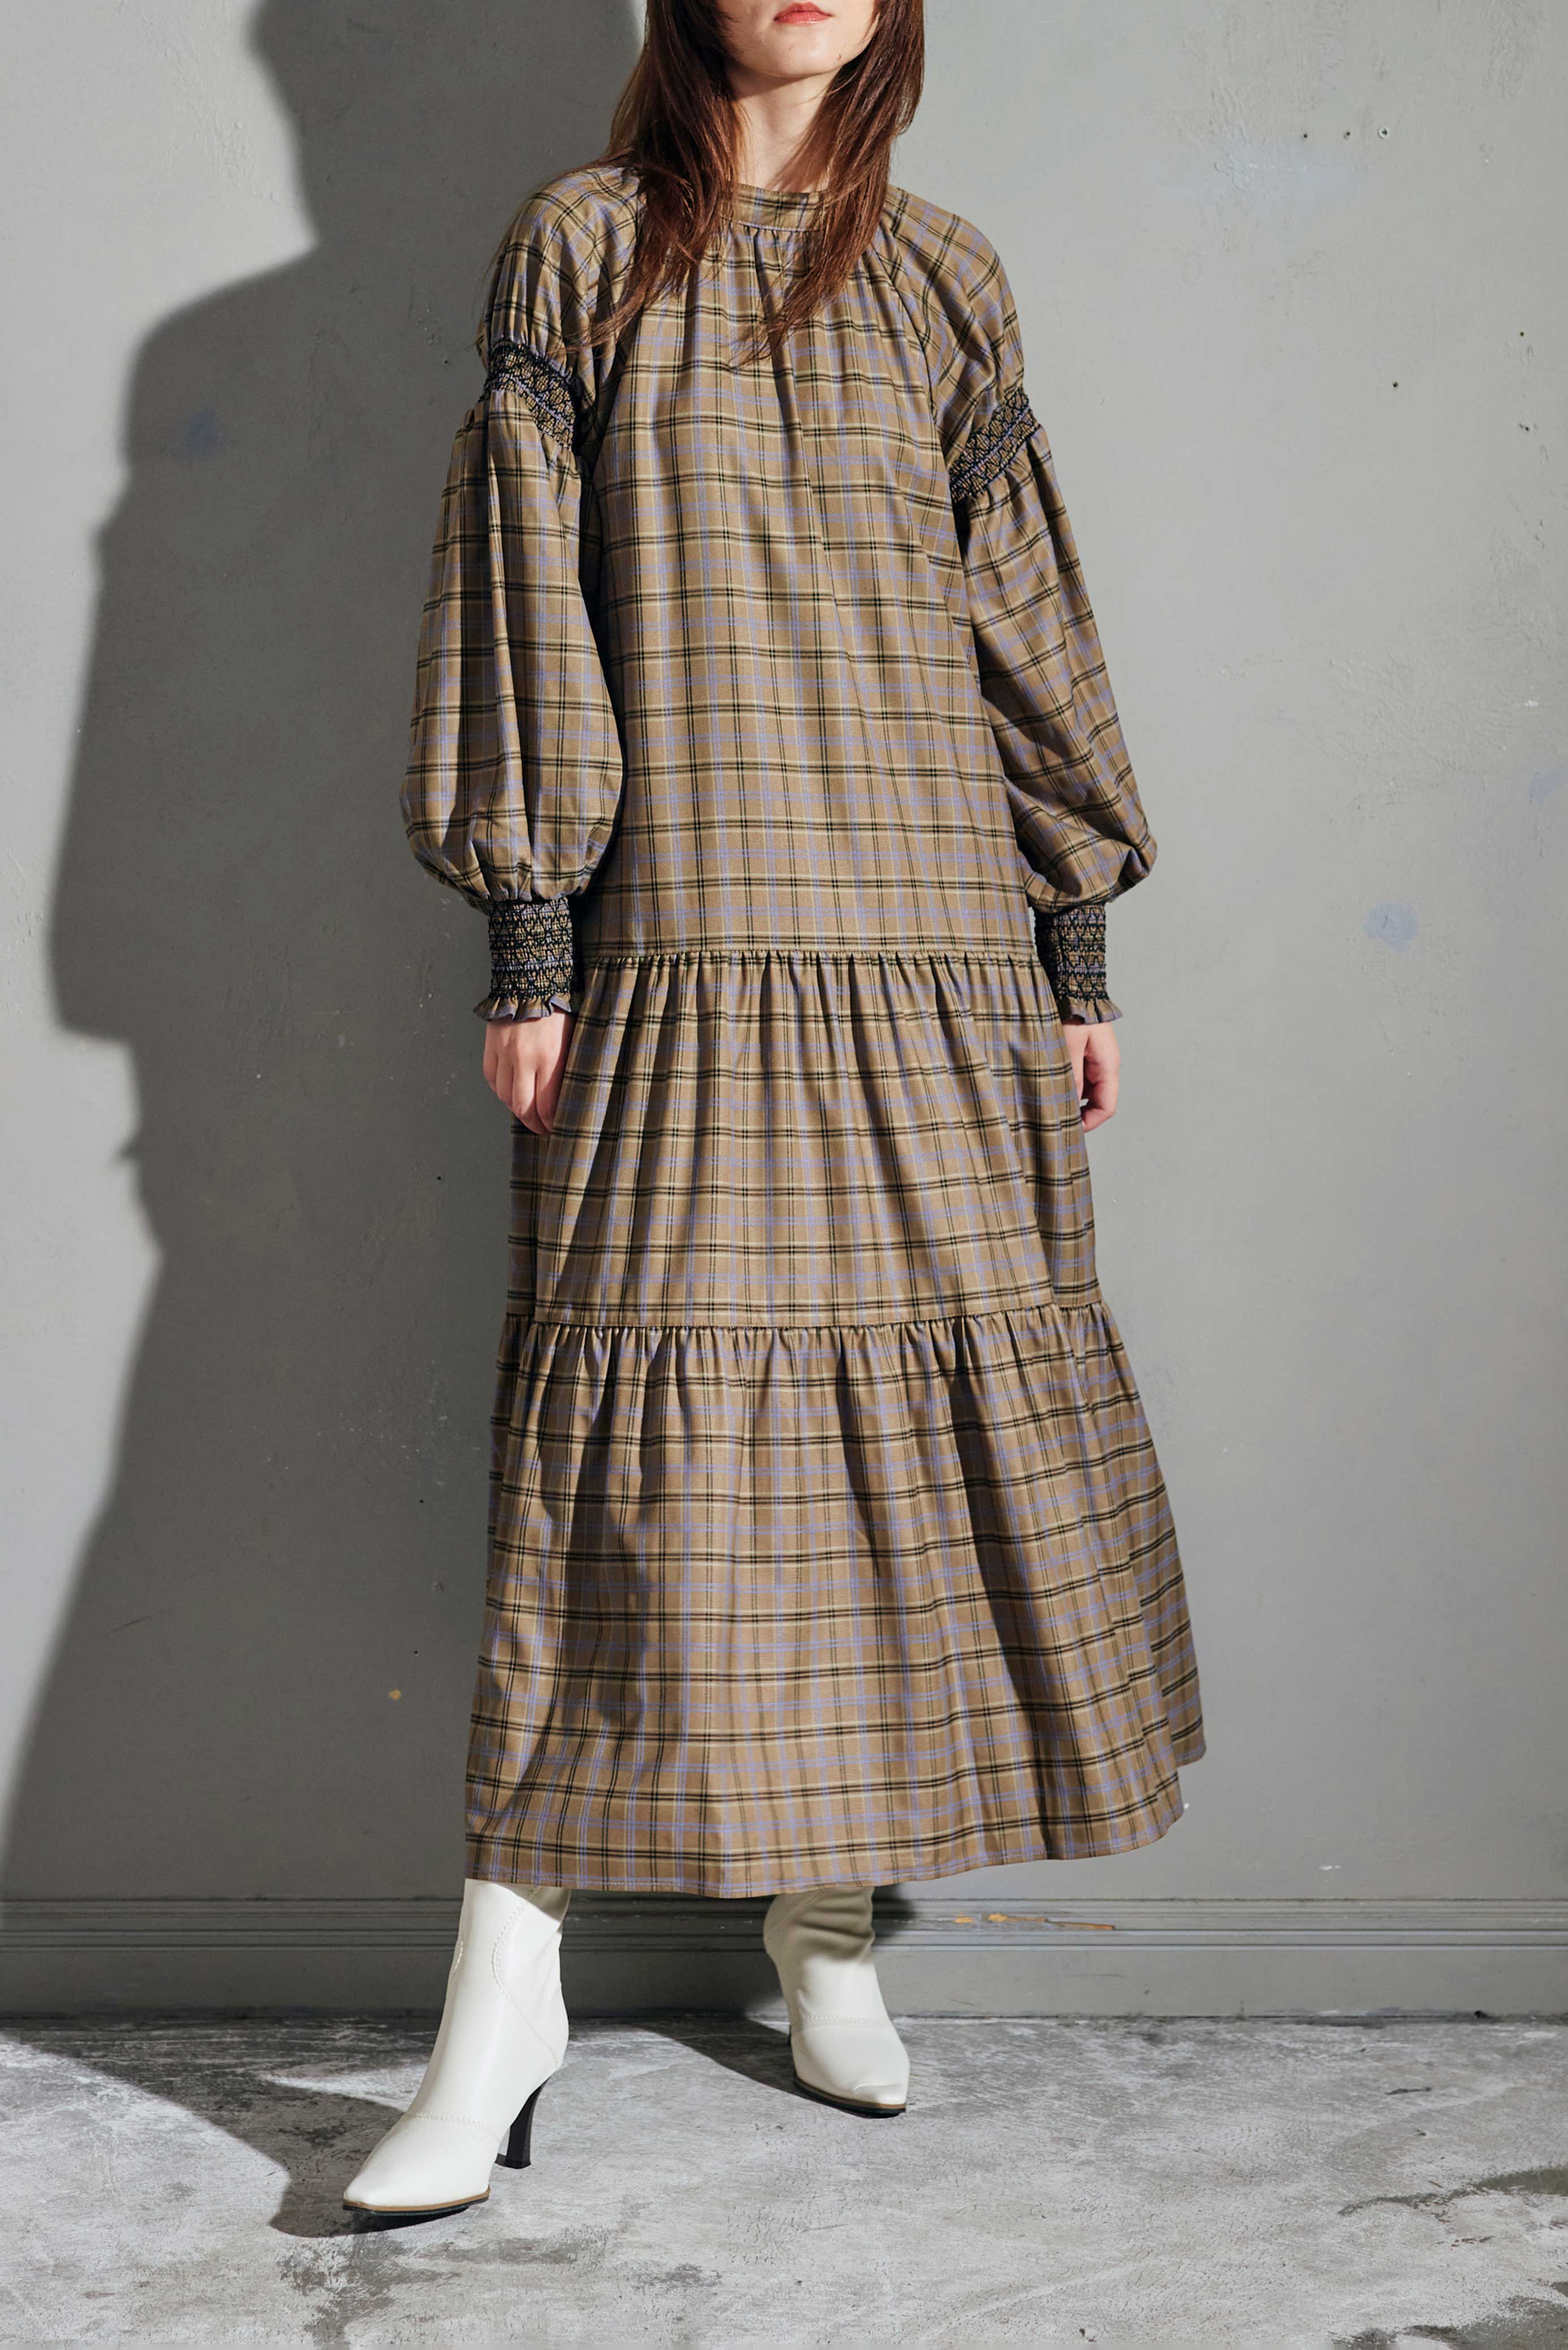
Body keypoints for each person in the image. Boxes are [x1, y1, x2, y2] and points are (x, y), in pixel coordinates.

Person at [345, 0, 1204, 2219]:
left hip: (936, 940)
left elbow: (1021, 612)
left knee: (881, 1446)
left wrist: (1071, 938)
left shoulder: (944, 272)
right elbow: (521, 587)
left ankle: (824, 1929)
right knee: (622, 1456)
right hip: (687, 922)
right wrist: (533, 932)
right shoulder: (578, 245)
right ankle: (502, 2001)